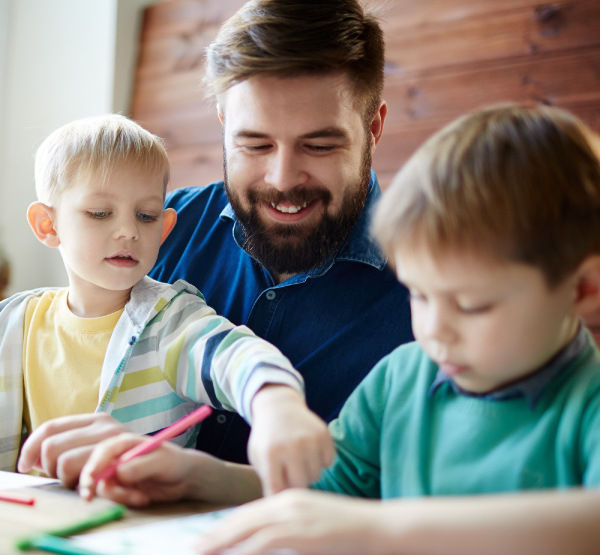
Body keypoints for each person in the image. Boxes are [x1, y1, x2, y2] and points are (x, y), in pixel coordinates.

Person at [80, 104, 600, 555]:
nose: (435, 330)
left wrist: (382, 530)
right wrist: (198, 478)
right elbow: (325, 493)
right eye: (419, 295)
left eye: (471, 305)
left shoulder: (586, 399)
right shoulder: (404, 376)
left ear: (582, 288)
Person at [17, 0, 413, 483]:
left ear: (373, 129)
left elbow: (412, 496)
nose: (282, 178)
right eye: (256, 144)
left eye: (319, 145)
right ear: (224, 126)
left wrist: (204, 480)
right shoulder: (158, 230)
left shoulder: (433, 284)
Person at [3, 114, 333, 494]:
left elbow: (236, 357)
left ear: (164, 229)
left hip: (133, 529)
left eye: (145, 216)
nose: (128, 230)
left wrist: (277, 403)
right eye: (100, 213)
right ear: (48, 225)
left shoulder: (170, 320)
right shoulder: (13, 323)